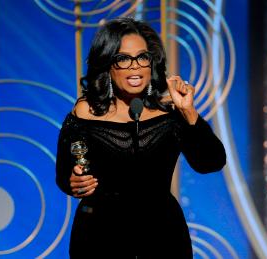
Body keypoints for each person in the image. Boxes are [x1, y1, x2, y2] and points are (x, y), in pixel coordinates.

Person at [55, 17, 226, 258]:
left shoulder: (170, 111)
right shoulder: (86, 111)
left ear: (151, 63)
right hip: (99, 238)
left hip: (162, 237)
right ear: (108, 64)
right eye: (123, 59)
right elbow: (64, 174)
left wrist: (189, 112)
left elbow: (210, 162)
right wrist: (73, 182)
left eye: (142, 57)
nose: (135, 66)